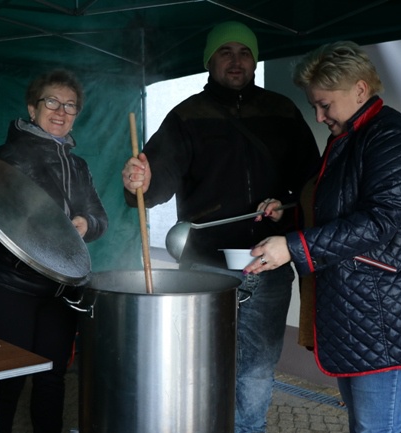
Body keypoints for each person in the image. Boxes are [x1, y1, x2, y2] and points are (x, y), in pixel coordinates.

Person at [245, 41, 401, 433]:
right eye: (314, 105)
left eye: (325, 104)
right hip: (364, 306)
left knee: (376, 427)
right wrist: (292, 212)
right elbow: (341, 206)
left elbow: (379, 222)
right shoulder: (351, 135)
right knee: (365, 423)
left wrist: (294, 246)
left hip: (392, 310)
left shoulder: (393, 140)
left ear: (360, 90)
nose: (319, 115)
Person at [122, 21, 320, 433]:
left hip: (266, 262)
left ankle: (248, 429)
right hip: (202, 264)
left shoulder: (282, 111)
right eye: (225, 52)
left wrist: (287, 210)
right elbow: (153, 185)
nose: (236, 60)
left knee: (258, 365)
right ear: (210, 60)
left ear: (254, 60)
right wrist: (139, 181)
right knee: (199, 360)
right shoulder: (187, 116)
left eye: (244, 52)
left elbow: (310, 184)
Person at [0, 69, 108, 433]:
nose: (61, 111)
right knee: (7, 378)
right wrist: (37, 230)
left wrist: (83, 224)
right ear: (32, 109)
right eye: (52, 101)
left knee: (52, 375)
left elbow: (99, 217)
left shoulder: (78, 165)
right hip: (9, 286)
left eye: (70, 105)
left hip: (60, 290)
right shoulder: (8, 157)